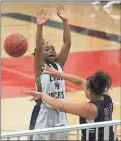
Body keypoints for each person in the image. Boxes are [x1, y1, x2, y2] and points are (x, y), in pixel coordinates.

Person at [25, 65, 115, 141]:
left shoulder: (90, 109)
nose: (84, 86)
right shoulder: (107, 98)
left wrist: (41, 96)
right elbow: (81, 82)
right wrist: (59, 74)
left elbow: (61, 106)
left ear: (89, 91)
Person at [29, 4, 71, 140]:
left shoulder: (58, 66)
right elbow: (39, 49)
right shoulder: (40, 68)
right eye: (47, 49)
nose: (51, 50)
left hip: (60, 111)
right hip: (43, 112)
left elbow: (67, 43)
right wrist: (39, 27)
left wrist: (65, 21)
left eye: (53, 48)